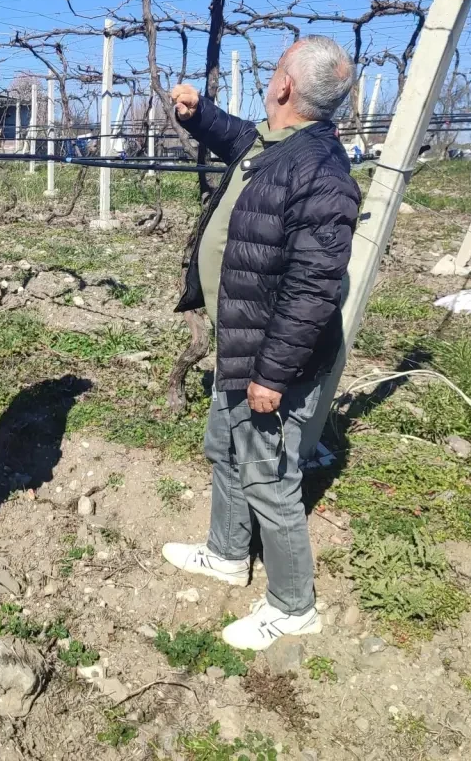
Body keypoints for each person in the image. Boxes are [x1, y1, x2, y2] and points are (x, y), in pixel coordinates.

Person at [161, 36, 361, 651]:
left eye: (276, 68)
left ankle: (294, 605)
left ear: (285, 87)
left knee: (270, 479)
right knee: (226, 448)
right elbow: (238, 136)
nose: (270, 76)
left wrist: (272, 375)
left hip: (275, 357)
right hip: (242, 338)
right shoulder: (276, 143)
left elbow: (312, 289)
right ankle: (227, 553)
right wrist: (198, 115)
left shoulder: (320, 172)